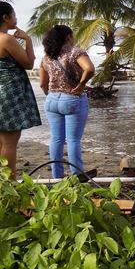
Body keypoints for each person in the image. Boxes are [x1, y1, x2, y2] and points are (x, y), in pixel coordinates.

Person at [0, 1, 41, 177]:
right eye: (14, 15)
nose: (16, 18)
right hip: (12, 92)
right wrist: (28, 40)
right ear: (5, 18)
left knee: (0, 141)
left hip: (2, 90)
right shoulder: (6, 38)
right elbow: (29, 64)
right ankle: (9, 183)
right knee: (10, 143)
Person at [39, 25, 95, 178]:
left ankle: (57, 176)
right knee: (73, 140)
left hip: (51, 100)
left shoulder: (47, 57)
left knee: (56, 139)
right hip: (72, 99)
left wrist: (53, 96)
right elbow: (89, 69)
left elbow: (43, 83)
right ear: (68, 37)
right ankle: (77, 174)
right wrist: (81, 85)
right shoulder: (74, 52)